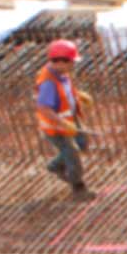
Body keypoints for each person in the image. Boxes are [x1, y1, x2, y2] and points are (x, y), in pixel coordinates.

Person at [34, 38, 93, 199]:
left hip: (70, 120)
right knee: (71, 153)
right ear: (60, 62)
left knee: (81, 142)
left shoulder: (61, 74)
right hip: (56, 128)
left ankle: (55, 165)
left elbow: (64, 92)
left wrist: (78, 96)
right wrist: (63, 123)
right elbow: (43, 108)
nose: (74, 65)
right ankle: (78, 187)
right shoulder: (48, 82)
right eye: (72, 62)